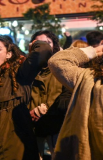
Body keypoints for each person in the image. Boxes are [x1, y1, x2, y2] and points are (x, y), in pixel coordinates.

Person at [0, 36, 52, 160]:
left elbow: (44, 49)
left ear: (9, 54)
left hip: (14, 134)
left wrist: (34, 44)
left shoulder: (19, 72)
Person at [28, 31, 71, 159]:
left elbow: (68, 95)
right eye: (38, 43)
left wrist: (43, 108)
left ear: (55, 46)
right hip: (33, 129)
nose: (43, 47)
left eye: (47, 43)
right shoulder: (26, 70)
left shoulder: (63, 68)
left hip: (58, 127)